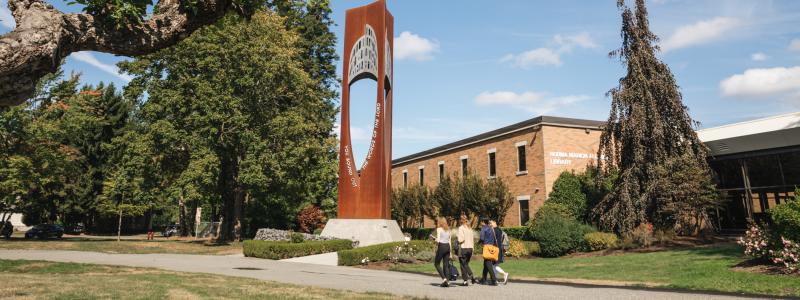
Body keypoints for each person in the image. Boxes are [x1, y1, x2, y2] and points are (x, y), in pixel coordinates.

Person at [478, 217, 498, 285]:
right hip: (491, 247)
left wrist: (478, 242)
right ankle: (483, 279)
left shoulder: (483, 228)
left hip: (486, 247)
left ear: (483, 221)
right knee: (486, 263)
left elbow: (482, 238)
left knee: (488, 263)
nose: (480, 223)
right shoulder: (491, 228)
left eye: (480, 221)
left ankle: (494, 280)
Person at [456, 215, 476, 286]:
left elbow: (461, 239)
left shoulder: (461, 228)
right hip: (470, 248)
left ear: (461, 220)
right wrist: (473, 249)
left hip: (463, 248)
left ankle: (466, 280)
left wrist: (457, 239)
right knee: (466, 264)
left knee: (462, 264)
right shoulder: (470, 229)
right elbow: (472, 240)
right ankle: (470, 277)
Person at [433, 217, 452, 287]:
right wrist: (451, 253)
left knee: (436, 263)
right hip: (448, 247)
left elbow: (438, 241)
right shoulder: (449, 230)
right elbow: (449, 241)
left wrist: (434, 239)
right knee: (446, 265)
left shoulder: (439, 229)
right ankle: (448, 281)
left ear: (440, 222)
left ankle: (444, 279)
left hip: (442, 246)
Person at [491, 220, 510, 285]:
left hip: (495, 249)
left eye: (491, 223)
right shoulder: (499, 230)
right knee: (495, 264)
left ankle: (504, 274)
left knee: (493, 265)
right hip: (499, 249)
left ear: (495, 222)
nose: (490, 224)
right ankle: (495, 279)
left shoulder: (494, 230)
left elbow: (493, 240)